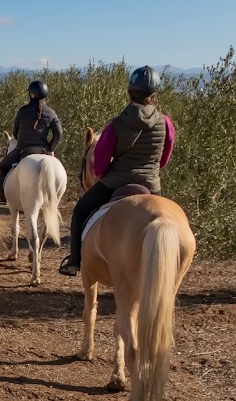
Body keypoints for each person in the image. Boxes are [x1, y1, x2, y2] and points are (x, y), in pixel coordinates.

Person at [59, 65, 175, 276]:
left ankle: (75, 260)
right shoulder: (166, 123)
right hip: (151, 184)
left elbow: (100, 162)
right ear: (154, 94)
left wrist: (105, 175)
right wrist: (150, 171)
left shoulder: (116, 124)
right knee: (167, 219)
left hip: (116, 182)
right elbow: (164, 158)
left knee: (81, 211)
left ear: (129, 92)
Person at [0, 80, 63, 205]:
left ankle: (2, 198)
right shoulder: (51, 112)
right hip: (43, 150)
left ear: (31, 94)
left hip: (22, 149)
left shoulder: (22, 111)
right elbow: (58, 133)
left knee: (2, 167)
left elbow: (15, 133)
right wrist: (50, 148)